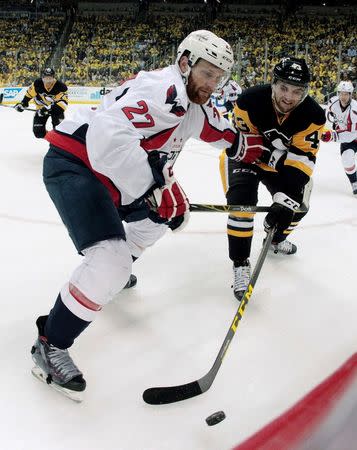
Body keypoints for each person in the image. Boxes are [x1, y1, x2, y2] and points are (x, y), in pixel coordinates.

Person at [30, 30, 236, 400]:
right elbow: (107, 140)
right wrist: (156, 188)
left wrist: (277, 159)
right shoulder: (165, 92)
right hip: (78, 162)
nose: (213, 83)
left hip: (111, 170)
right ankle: (50, 343)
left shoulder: (192, 103)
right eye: (208, 73)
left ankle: (115, 272)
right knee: (110, 261)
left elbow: (230, 137)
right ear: (185, 62)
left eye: (220, 76)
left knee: (155, 221)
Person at [220, 57, 326, 301]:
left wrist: (284, 198)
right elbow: (244, 146)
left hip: (277, 163)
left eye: (297, 91)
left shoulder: (313, 115)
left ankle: (276, 238)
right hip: (243, 157)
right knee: (241, 205)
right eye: (284, 88)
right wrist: (277, 158)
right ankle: (240, 262)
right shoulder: (249, 101)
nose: (289, 97)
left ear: (306, 92)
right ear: (273, 84)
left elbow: (302, 161)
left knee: (297, 207)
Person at [322, 80, 357, 196]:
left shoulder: (354, 110)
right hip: (348, 139)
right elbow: (328, 115)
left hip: (353, 135)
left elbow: (351, 134)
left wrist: (333, 135)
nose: (343, 96)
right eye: (341, 93)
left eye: (346, 94)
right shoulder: (333, 102)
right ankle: (354, 182)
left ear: (350, 95)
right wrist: (333, 122)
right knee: (347, 160)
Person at [15, 67, 68, 139]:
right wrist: (22, 104)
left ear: (54, 78)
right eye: (46, 78)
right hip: (40, 110)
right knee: (38, 132)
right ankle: (53, 140)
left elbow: (63, 104)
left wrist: (48, 109)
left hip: (56, 110)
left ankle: (58, 142)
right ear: (42, 78)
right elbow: (28, 95)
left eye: (50, 78)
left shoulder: (61, 87)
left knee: (60, 131)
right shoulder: (37, 84)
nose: (48, 81)